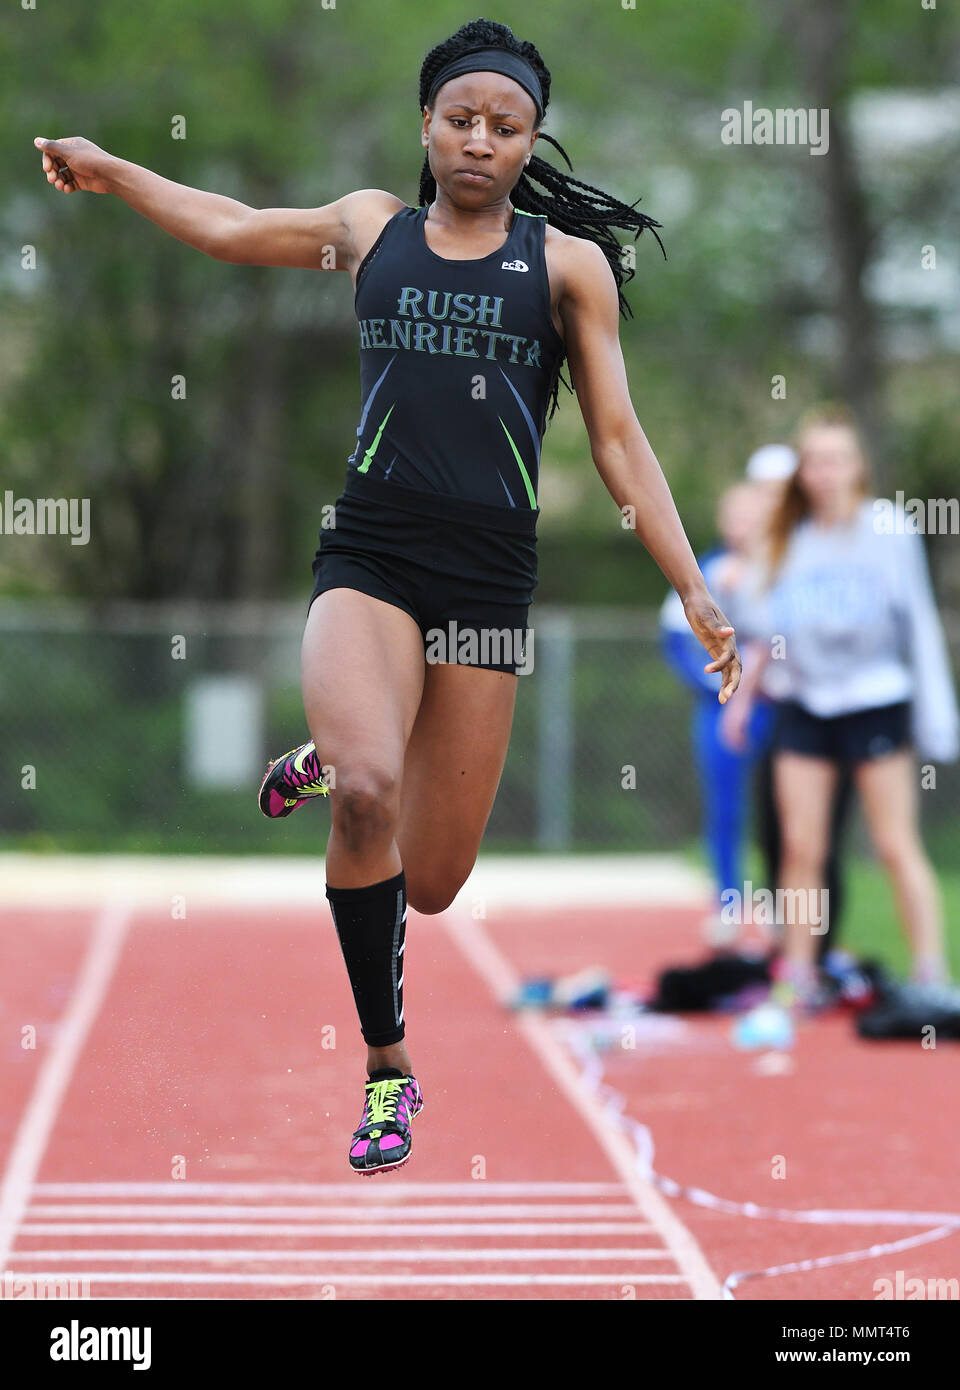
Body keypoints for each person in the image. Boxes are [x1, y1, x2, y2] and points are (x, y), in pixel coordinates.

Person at [35, 17, 741, 1171]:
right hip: (370, 550)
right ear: (426, 123)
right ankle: (387, 1068)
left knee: (441, 879)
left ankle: (326, 754)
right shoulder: (372, 230)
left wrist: (698, 589)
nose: (479, 140)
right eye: (460, 119)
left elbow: (619, 441)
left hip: (485, 575)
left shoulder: (565, 268)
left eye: (505, 127)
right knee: (371, 793)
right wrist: (114, 171)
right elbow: (229, 227)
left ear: (530, 141)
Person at [724, 404, 959, 1015]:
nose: (823, 472)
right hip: (806, 704)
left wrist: (937, 715)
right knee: (802, 848)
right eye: (814, 461)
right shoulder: (787, 539)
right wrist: (739, 571)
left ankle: (932, 972)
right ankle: (798, 974)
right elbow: (756, 622)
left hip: (875, 703)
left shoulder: (888, 531)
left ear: (858, 467)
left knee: (893, 843)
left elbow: (920, 624)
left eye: (836, 460)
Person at [660, 480, 776, 946]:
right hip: (718, 709)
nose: (744, 526)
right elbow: (673, 641)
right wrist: (718, 685)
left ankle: (775, 904)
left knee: (777, 810)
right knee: (725, 809)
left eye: (753, 516)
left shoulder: (780, 568)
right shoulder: (700, 574)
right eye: (737, 516)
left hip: (773, 709)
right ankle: (729, 903)